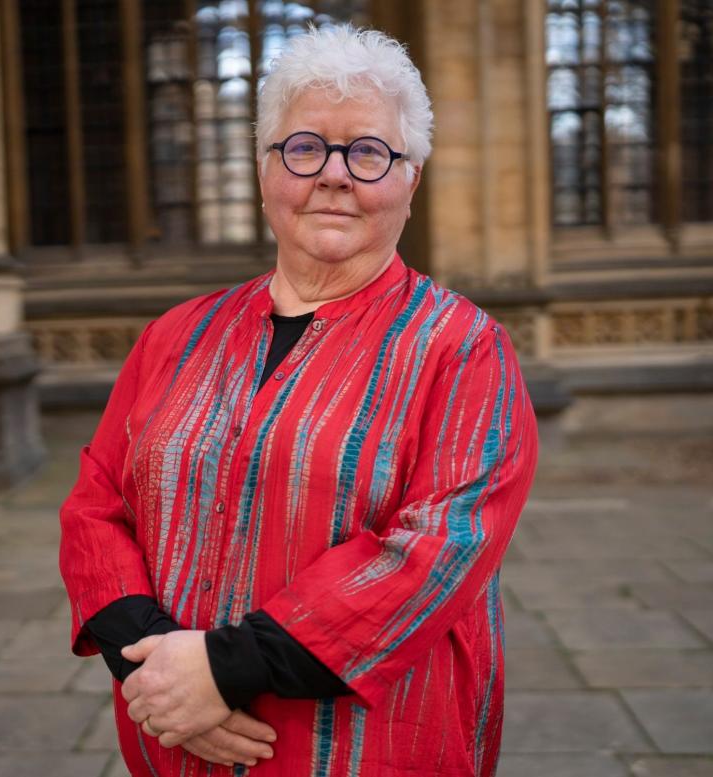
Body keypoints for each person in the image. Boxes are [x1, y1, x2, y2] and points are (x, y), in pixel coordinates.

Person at [59, 24, 538, 776]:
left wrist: (222, 668)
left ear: (411, 179)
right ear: (263, 169)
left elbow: (438, 551)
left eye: (370, 152)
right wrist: (149, 664)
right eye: (305, 146)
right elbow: (96, 506)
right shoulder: (174, 336)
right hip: (173, 742)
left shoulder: (463, 349)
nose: (335, 175)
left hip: (362, 749)